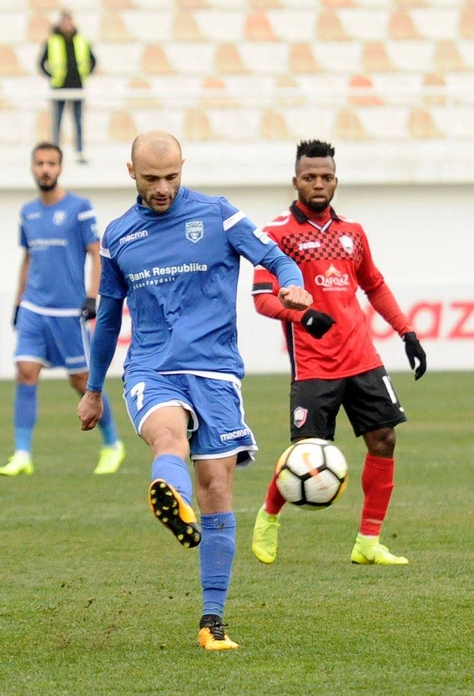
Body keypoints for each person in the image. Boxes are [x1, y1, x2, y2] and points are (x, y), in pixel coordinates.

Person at [77, 130, 314, 651]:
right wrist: (94, 390)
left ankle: (212, 622)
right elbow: (110, 317)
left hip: (215, 373)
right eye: (151, 178)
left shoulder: (218, 215)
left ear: (183, 167)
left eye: (171, 176)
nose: (162, 188)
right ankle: (174, 501)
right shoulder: (118, 236)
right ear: (131, 172)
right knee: (169, 436)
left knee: (217, 489)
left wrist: (293, 283)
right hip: (152, 369)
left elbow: (276, 258)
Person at [248, 139, 427, 567]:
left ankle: (368, 542)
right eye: (309, 177)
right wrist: (302, 316)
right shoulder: (276, 234)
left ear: (336, 181)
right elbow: (261, 298)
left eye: (326, 177)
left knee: (384, 439)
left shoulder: (353, 232)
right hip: (314, 364)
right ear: (295, 181)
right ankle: (268, 516)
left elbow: (374, 285)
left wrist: (406, 331)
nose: (318, 183)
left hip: (362, 357)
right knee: (305, 454)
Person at [0, 142, 125, 477]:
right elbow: (28, 258)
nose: (45, 169)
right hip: (34, 308)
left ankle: (112, 444)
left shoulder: (79, 208)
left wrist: (93, 296)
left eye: (51, 163)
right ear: (32, 167)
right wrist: (18, 302)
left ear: (60, 168)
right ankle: (22, 454)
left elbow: (96, 253)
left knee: (82, 381)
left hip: (69, 311)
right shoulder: (28, 212)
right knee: (25, 371)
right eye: (40, 163)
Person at [39, 11, 95, 165]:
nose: (68, 25)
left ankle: (79, 152)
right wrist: (52, 76)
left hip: (77, 87)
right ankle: (54, 154)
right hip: (59, 87)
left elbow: (92, 60)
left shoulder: (81, 41)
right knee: (57, 122)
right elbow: (41, 63)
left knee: (77, 121)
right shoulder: (53, 41)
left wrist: (85, 74)